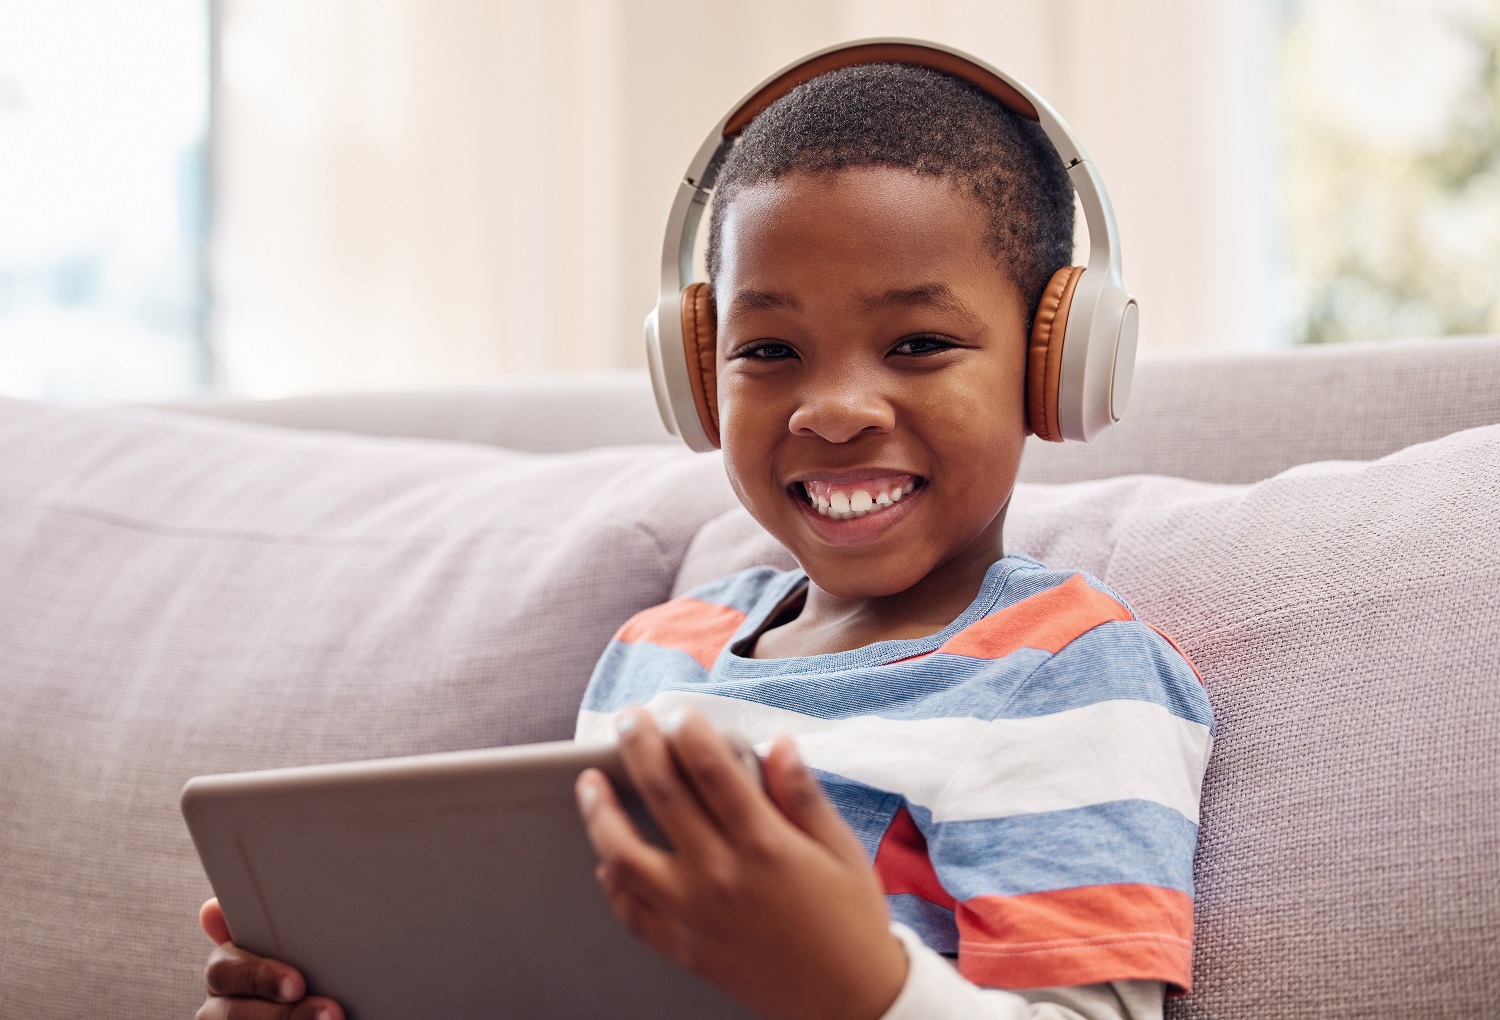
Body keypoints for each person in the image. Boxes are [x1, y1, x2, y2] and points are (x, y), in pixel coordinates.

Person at [195, 57, 1212, 1020]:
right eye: (768, 349)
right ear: (696, 379)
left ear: (1058, 365)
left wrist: (859, 984)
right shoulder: (651, 655)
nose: (837, 409)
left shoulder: (1073, 674)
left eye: (919, 344)